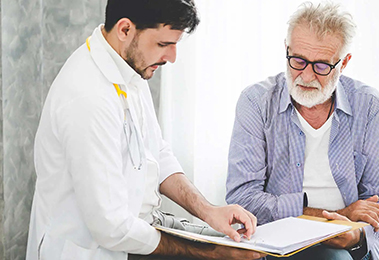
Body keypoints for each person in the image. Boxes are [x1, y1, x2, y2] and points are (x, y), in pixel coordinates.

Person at [26, 0, 265, 259]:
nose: (172, 57)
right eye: (164, 44)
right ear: (125, 29)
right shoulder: (87, 97)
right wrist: (208, 251)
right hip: (90, 250)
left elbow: (156, 153)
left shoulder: (128, 66)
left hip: (133, 234)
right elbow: (112, 227)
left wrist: (209, 211)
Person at [226, 2, 379, 260]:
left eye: (321, 66)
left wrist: (355, 233)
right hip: (276, 242)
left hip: (348, 242)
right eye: (298, 61)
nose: (306, 76)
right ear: (286, 49)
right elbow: (243, 198)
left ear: (344, 63)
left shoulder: (370, 105)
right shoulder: (256, 101)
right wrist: (332, 218)